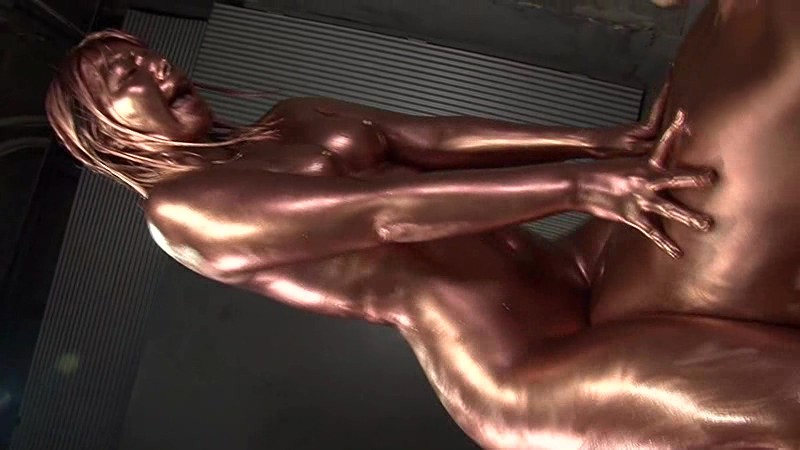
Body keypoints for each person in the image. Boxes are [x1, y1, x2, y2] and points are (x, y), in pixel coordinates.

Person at [44, 0, 800, 447]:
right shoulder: (185, 210)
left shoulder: (292, 118)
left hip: (574, 270)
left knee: (706, 136)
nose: (157, 67)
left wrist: (598, 143)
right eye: (126, 77)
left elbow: (434, 139)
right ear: (104, 132)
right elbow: (388, 215)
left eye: (146, 56)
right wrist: (579, 183)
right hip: (533, 365)